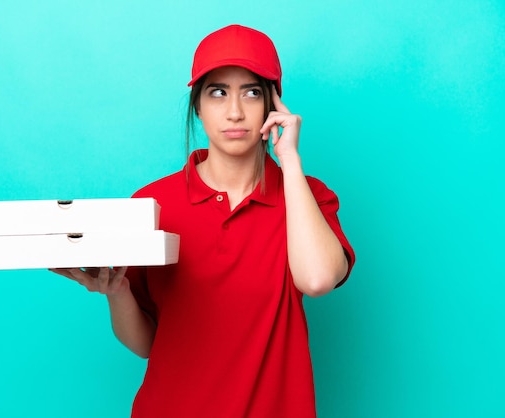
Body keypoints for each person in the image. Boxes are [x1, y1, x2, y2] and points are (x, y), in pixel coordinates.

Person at [51, 24, 355, 418]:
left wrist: (290, 161)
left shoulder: (305, 197)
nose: (234, 111)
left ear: (273, 105)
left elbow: (317, 280)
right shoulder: (152, 204)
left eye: (251, 92)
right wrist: (117, 292)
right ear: (197, 105)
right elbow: (147, 344)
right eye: (217, 92)